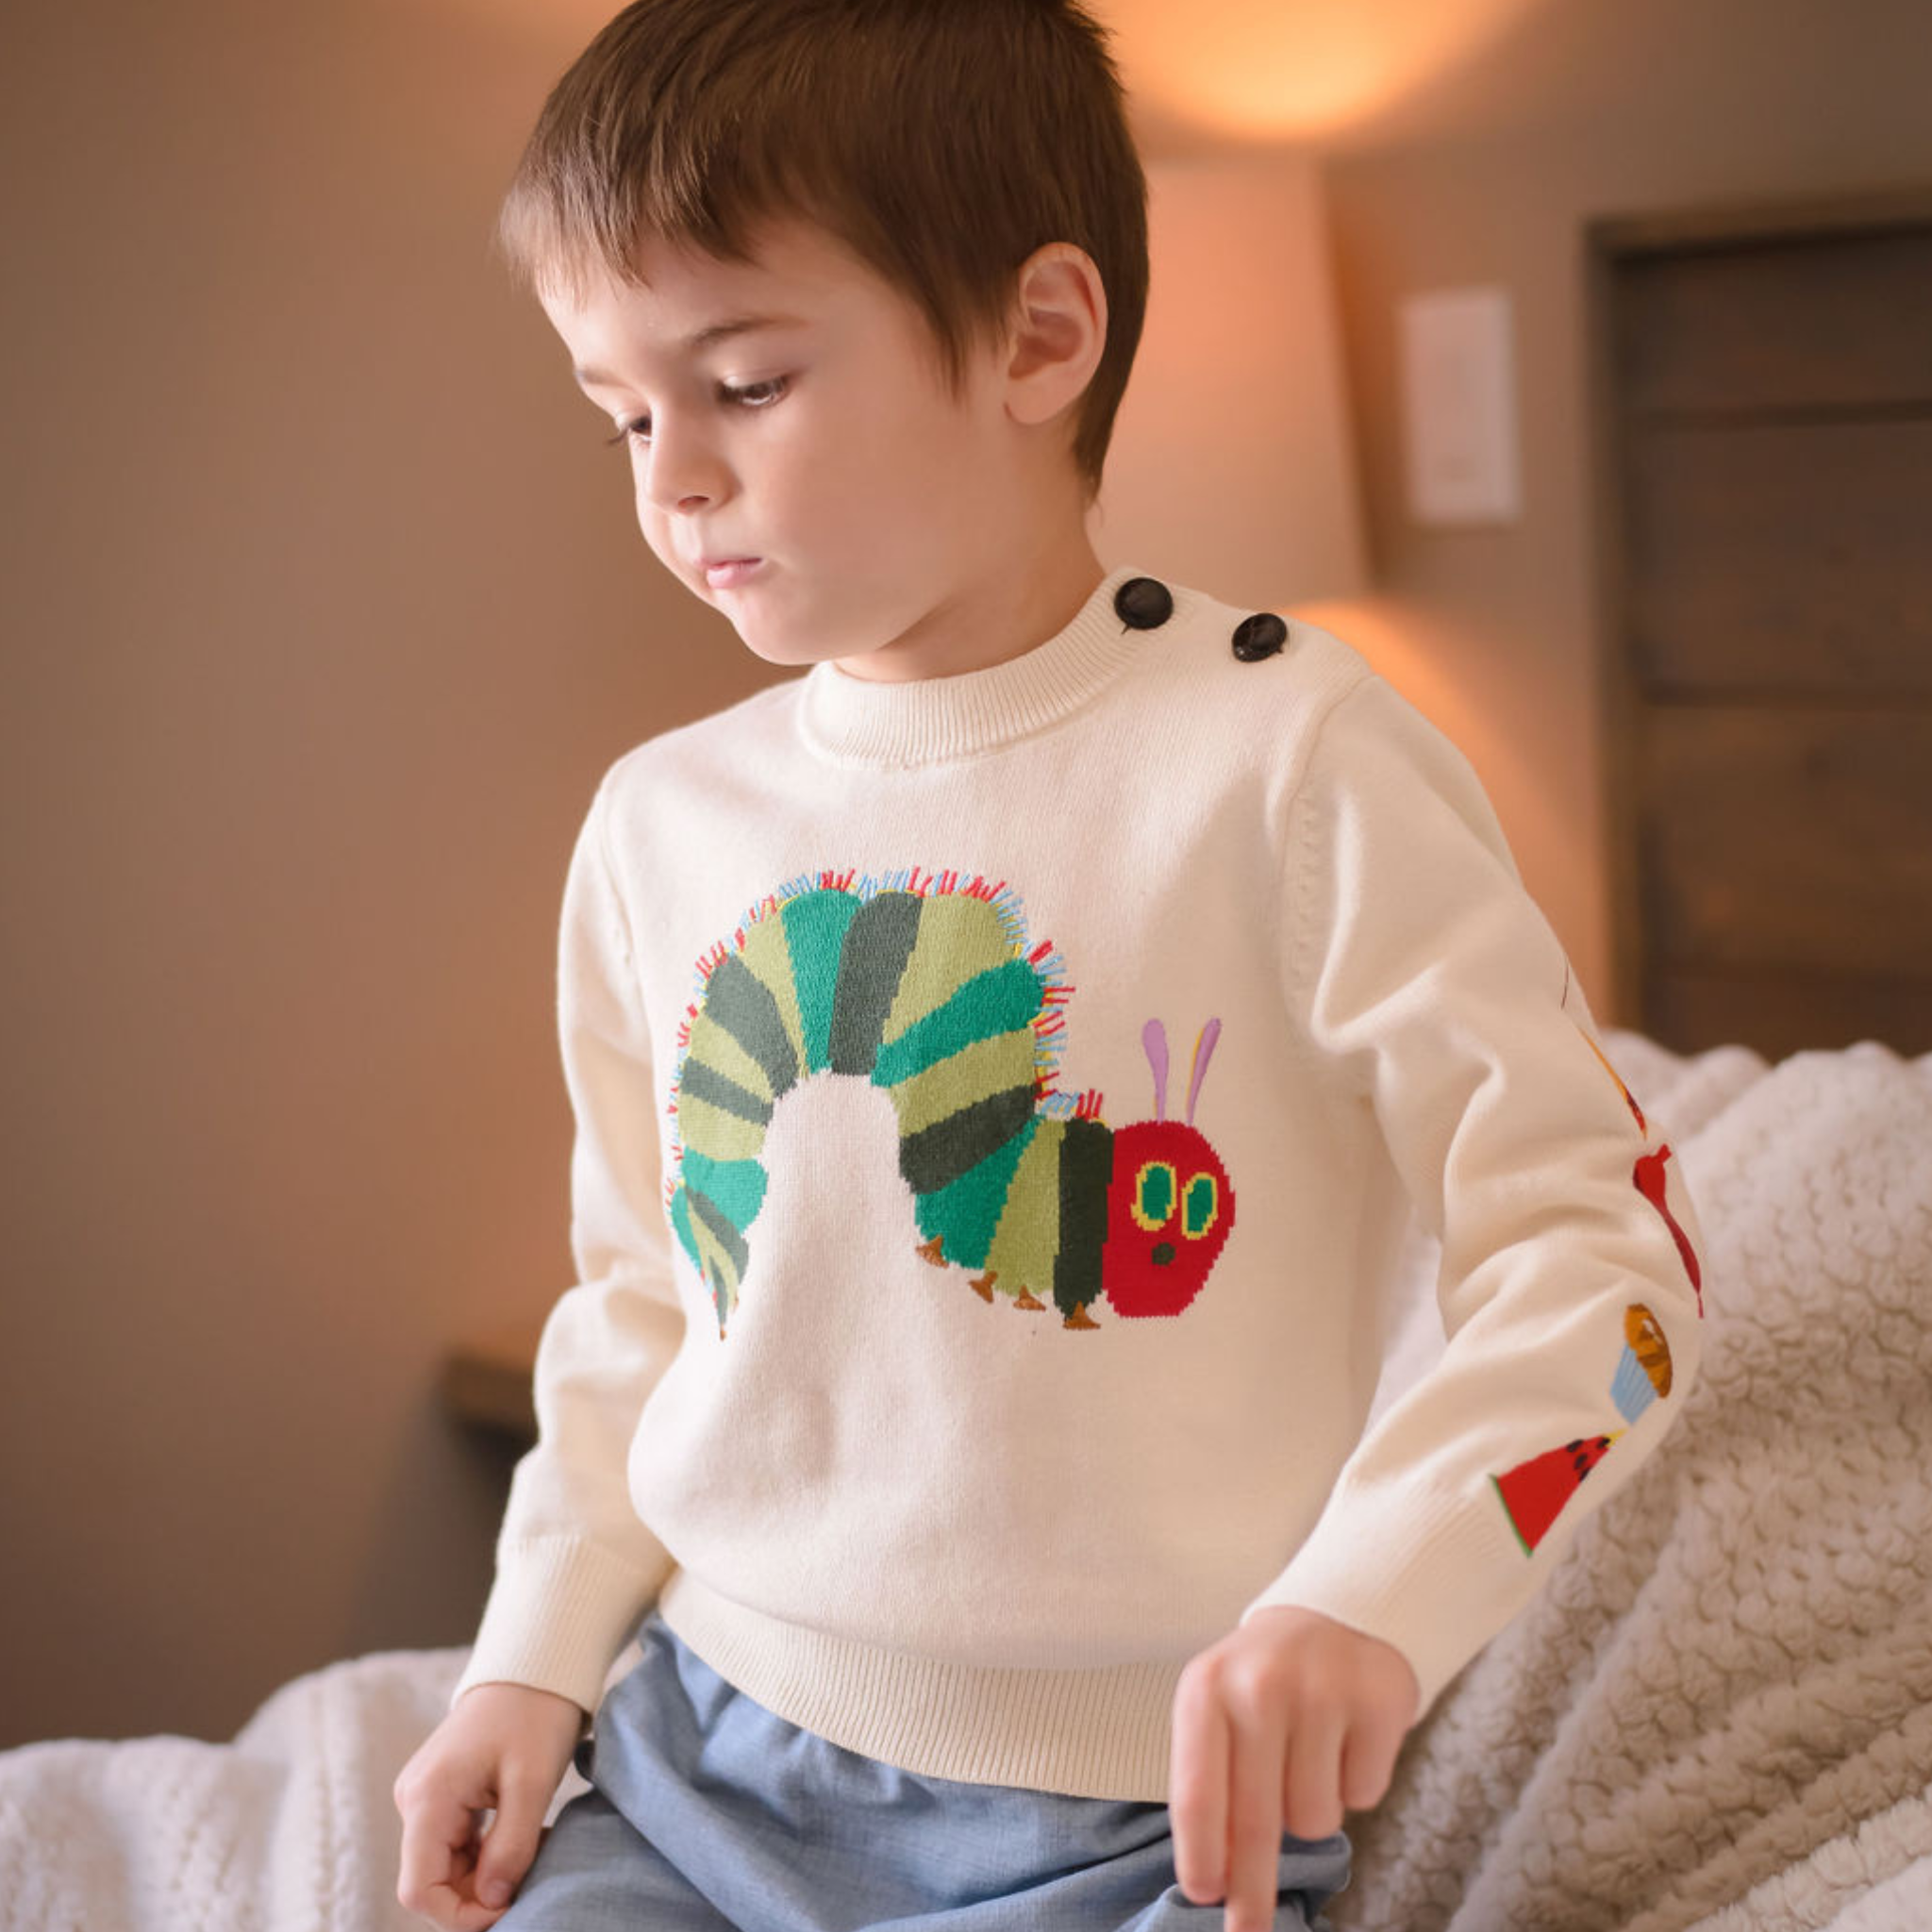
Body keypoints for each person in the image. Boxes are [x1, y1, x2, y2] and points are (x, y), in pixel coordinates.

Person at [391, 3, 1710, 1927]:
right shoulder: (656, 824)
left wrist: (1370, 1599)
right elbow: (640, 1303)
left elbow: (1609, 1255)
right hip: (688, 1752)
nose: (668, 477)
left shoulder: (1293, 762)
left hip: (1128, 1826)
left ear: (1037, 335)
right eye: (620, 412)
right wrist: (526, 1657)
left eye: (743, 380)